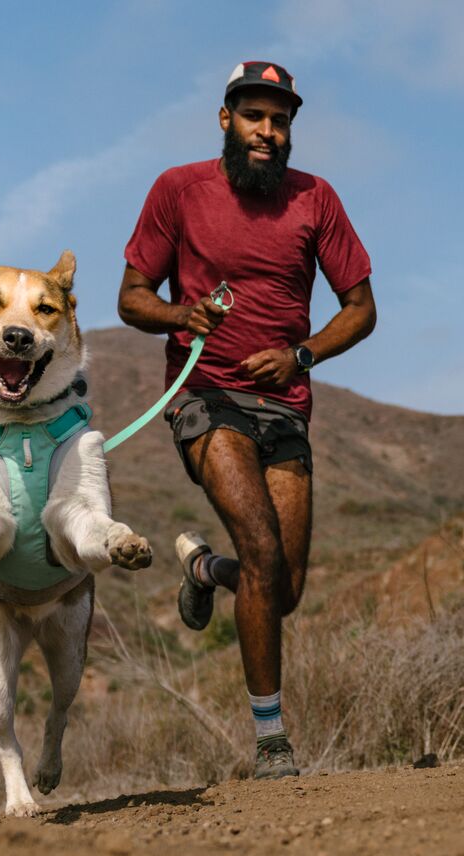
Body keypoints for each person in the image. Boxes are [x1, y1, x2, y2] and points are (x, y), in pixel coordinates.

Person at [117, 61, 376, 780]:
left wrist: (301, 354)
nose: (269, 131)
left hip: (285, 403)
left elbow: (362, 309)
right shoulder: (178, 190)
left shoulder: (316, 198)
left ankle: (204, 568)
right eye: (255, 115)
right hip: (207, 394)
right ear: (225, 118)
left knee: (282, 586)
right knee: (261, 549)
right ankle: (272, 742)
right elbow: (131, 295)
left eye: (281, 119)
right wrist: (179, 313)